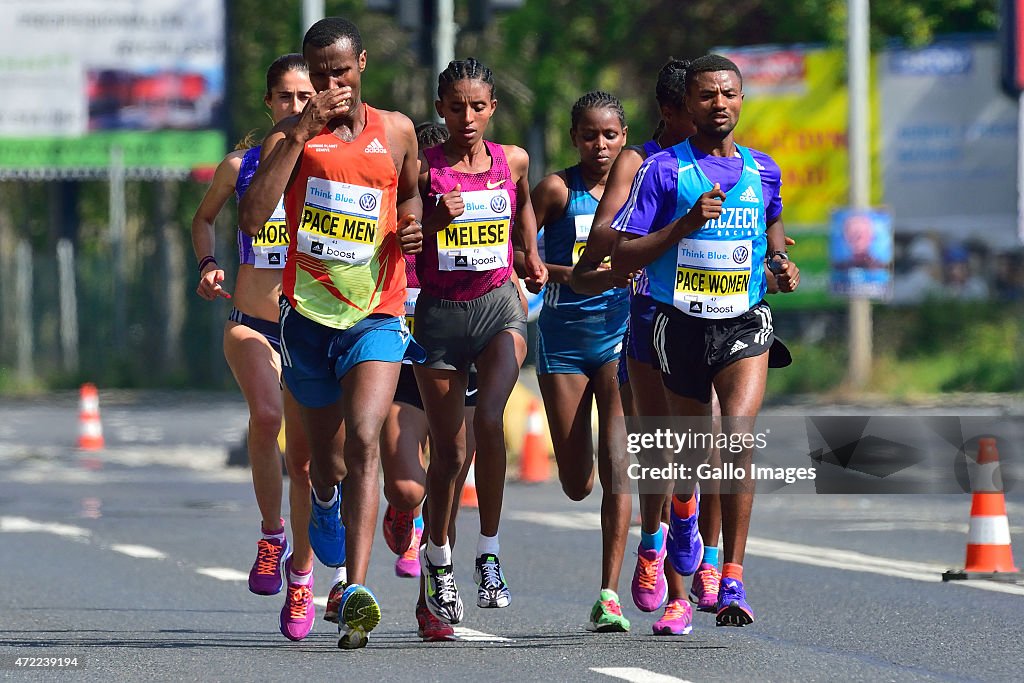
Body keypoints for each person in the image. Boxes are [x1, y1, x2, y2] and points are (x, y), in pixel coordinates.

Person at [238, 17, 424, 649]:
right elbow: (253, 213)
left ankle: (354, 590)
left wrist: (413, 223)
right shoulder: (290, 136)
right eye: (318, 76)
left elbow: (412, 196)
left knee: (368, 436)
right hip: (309, 316)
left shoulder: (396, 130)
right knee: (327, 462)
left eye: (340, 72)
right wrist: (300, 135)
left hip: (377, 310)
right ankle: (320, 503)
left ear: (362, 64)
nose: (330, 85)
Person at [611, 54, 800, 628]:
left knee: (737, 436)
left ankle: (734, 574)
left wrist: (781, 264)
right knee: (692, 455)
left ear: (741, 101)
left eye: (729, 94)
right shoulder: (664, 171)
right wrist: (684, 227)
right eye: (707, 95)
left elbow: (772, 230)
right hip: (679, 326)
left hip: (743, 320)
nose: (719, 104)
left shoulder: (762, 169)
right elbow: (623, 252)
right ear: (687, 106)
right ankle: (686, 514)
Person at [569, 60, 710, 636]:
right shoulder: (642, 161)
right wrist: (659, 230)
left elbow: (763, 223)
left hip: (719, 316)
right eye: (697, 108)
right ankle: (657, 549)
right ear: (672, 112)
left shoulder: (732, 160)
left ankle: (711, 563)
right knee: (657, 444)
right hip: (652, 315)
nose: (711, 116)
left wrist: (773, 259)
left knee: (714, 440)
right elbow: (605, 238)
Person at [191, 54, 320, 641]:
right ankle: (273, 535)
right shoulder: (241, 166)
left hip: (314, 328)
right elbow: (203, 219)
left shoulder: (325, 167)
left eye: (305, 96)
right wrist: (209, 262)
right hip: (251, 323)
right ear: (270, 102)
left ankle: (305, 574)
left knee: (316, 459)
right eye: (286, 97)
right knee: (268, 418)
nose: (296, 107)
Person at [414, 57, 547, 625]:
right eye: (456, 106)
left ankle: (487, 554)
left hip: (498, 307)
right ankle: (438, 560)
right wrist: (433, 218)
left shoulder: (511, 159)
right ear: (440, 109)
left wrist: (533, 257)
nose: (467, 117)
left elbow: (523, 207)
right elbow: (402, 238)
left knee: (490, 417)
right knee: (450, 454)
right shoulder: (423, 168)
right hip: (440, 315)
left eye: (478, 106)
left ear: (492, 109)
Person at [531, 90, 633, 632]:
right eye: (590, 135)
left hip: (620, 337)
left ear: (624, 137)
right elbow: (513, 245)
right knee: (576, 482)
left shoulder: (641, 189)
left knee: (620, 465)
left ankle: (609, 595)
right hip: (563, 341)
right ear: (574, 137)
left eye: (610, 135)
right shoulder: (556, 189)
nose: (600, 145)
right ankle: (579, 469)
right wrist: (564, 273)